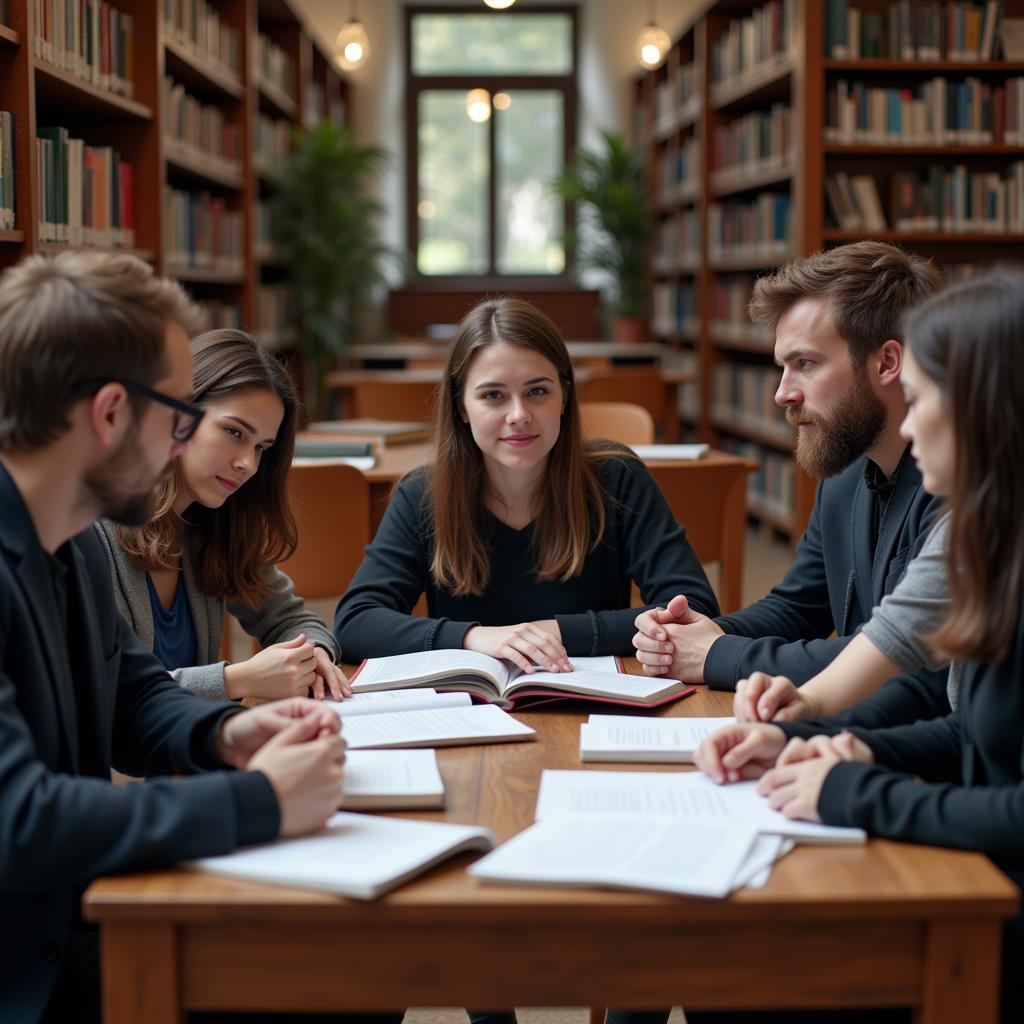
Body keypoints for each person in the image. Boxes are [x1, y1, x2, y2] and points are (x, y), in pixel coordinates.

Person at [0, 252, 346, 1024]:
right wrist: (256, 800)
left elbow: (134, 699)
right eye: (180, 415)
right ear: (113, 412)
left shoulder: (78, 542)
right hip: (26, 968)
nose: (180, 442)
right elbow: (18, 821)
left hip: (73, 923)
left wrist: (229, 730)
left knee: (353, 973)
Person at [695, 269, 1024, 1024]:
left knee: (738, 968)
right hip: (967, 876)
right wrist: (819, 742)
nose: (908, 426)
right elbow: (967, 724)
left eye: (926, 398)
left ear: (987, 410)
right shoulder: (994, 546)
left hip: (985, 917)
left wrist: (856, 790)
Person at [631, 242, 949, 725]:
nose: (782, 393)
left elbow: (896, 659)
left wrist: (718, 655)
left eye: (806, 363)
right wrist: (701, 632)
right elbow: (799, 605)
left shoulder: (959, 487)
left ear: (887, 362)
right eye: (782, 366)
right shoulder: (845, 473)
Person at [334, 296, 719, 669]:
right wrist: (477, 637)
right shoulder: (423, 493)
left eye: (537, 391)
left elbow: (693, 609)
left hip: (594, 703)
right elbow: (355, 624)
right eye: (493, 396)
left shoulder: (617, 477)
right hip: (471, 711)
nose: (518, 414)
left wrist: (550, 632)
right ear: (461, 408)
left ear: (565, 395)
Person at [95, 328, 349, 702]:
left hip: (190, 754)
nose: (248, 463)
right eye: (233, 432)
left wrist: (315, 653)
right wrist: (237, 680)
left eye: (262, 447)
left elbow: (293, 619)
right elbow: (102, 690)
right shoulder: (92, 532)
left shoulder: (211, 527)